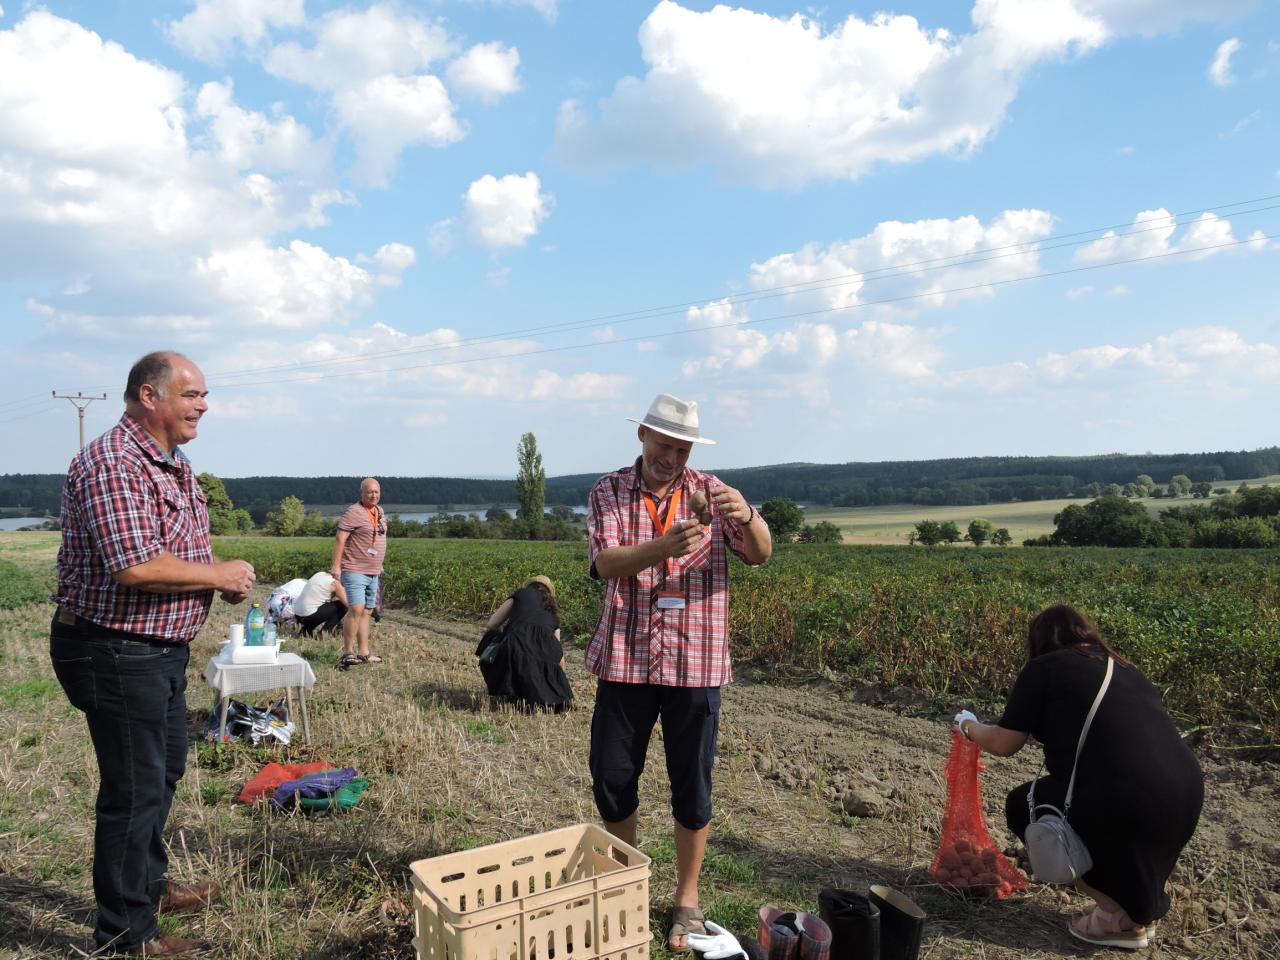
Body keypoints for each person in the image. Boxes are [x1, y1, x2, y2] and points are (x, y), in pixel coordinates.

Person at [50, 351, 257, 958]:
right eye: (191, 394)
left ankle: (148, 886)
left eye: (203, 395)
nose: (203, 406)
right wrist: (216, 574)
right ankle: (125, 935)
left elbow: (178, 548)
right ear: (149, 396)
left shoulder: (172, 463)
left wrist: (212, 577)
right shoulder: (114, 462)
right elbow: (135, 565)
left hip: (156, 651)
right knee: (134, 791)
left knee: (162, 771)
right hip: (114, 650)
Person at [586, 393, 772, 950]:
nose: (672, 458)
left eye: (683, 449)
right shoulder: (609, 490)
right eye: (664, 445)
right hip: (626, 657)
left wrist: (748, 515)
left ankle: (686, 902)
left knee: (692, 783)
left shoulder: (712, 492)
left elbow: (760, 554)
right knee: (613, 778)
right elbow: (603, 563)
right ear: (642, 436)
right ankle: (623, 888)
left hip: (696, 661)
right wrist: (663, 545)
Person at [954, 605, 1203, 951]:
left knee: (1024, 806)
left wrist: (967, 725)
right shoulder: (1126, 668)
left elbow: (1003, 743)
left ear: (1038, 641)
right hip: (1186, 790)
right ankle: (1137, 909)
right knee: (1117, 829)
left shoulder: (1044, 668)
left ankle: (1122, 918)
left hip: (1127, 797)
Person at [478, 575, 573, 711]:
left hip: (517, 646)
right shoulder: (553, 610)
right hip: (548, 652)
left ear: (530, 586)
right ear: (548, 592)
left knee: (490, 637)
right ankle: (541, 694)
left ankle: (509, 688)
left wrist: (507, 632)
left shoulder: (520, 594)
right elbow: (559, 653)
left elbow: (491, 624)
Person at [331, 477, 386, 669]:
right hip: (354, 569)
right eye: (369, 492)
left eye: (376, 492)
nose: (373, 495)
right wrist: (336, 566)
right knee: (356, 608)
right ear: (361, 493)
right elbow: (340, 539)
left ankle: (364, 653)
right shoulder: (353, 511)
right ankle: (347, 653)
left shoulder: (380, 512)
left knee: (367, 611)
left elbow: (378, 539)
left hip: (373, 571)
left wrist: (379, 563)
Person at [293, 570, 349, 637]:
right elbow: (349, 605)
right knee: (342, 606)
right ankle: (324, 633)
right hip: (309, 615)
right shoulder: (336, 583)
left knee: (317, 607)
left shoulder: (319, 574)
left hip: (297, 614)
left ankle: (305, 631)